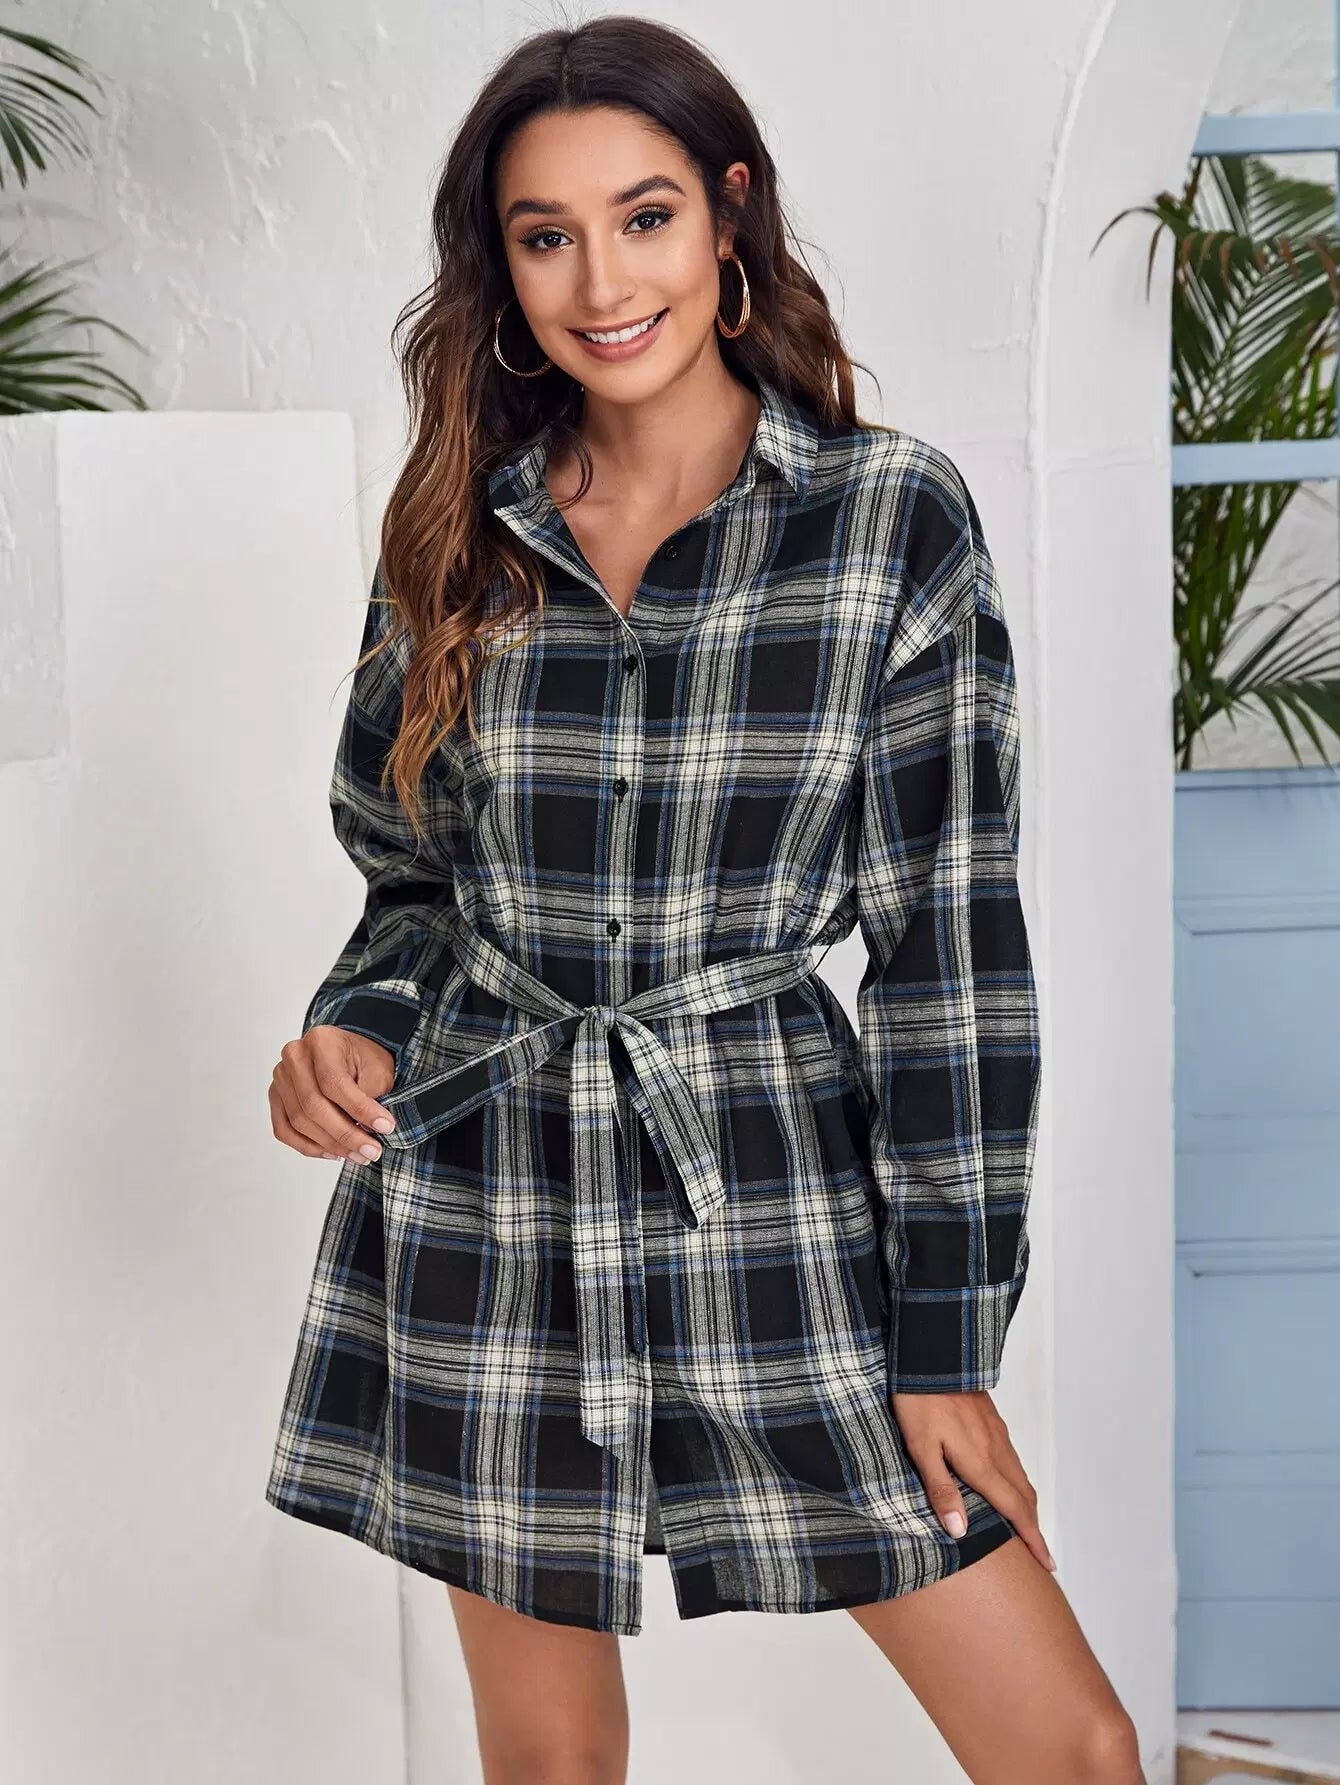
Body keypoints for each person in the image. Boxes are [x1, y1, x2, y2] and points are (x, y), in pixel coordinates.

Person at [265, 15, 1144, 1785]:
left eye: (646, 216)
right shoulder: (454, 535)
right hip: (492, 1197)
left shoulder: (887, 519)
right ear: (501, 269)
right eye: (547, 235)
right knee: (547, 1759)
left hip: (775, 1199)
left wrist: (945, 1339)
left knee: (1071, 1745)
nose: (603, 282)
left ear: (728, 215)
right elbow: (412, 875)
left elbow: (950, 959)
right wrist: (348, 1027)